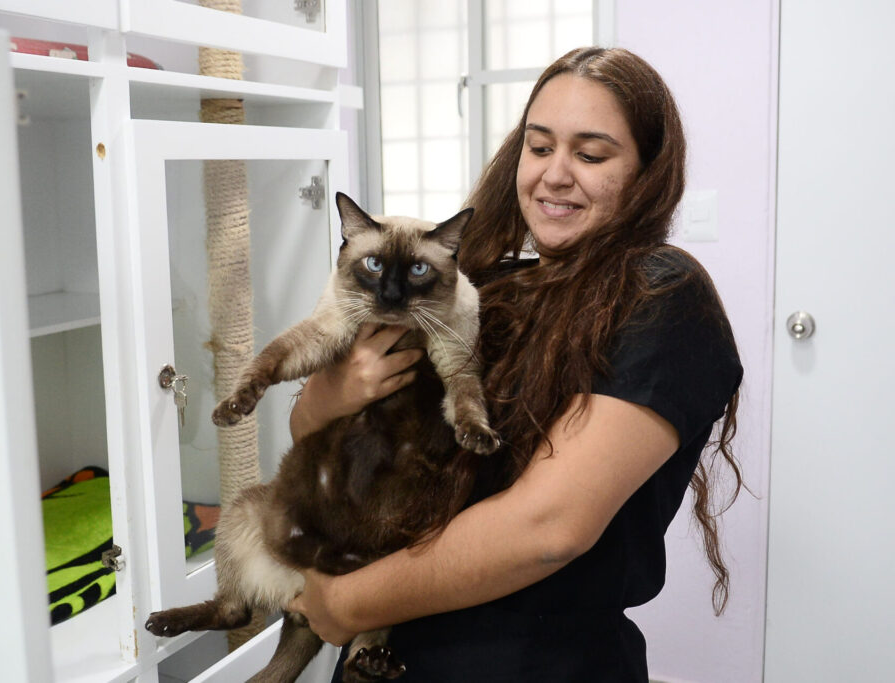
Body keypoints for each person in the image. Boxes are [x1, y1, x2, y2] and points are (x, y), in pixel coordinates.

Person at [287, 46, 743, 682]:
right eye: (538, 147)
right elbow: (330, 442)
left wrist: (342, 602)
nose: (555, 174)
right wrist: (323, 398)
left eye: (590, 155)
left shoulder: (661, 295)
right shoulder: (480, 288)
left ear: (646, 173)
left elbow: (549, 527)